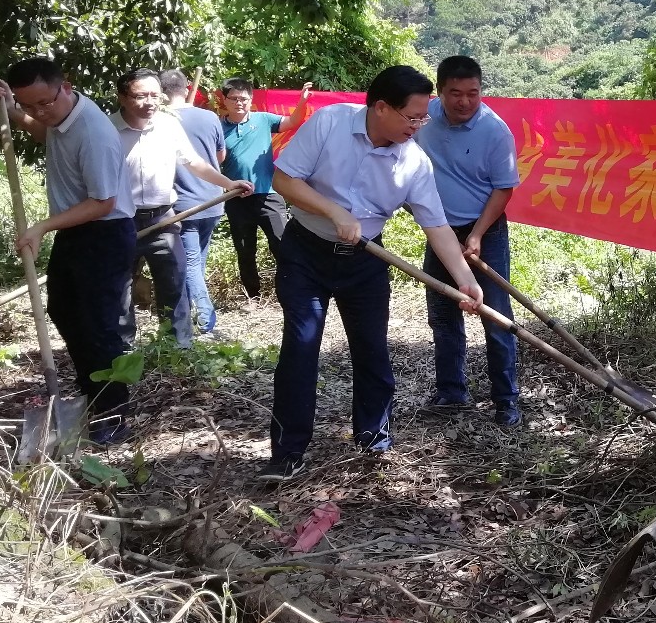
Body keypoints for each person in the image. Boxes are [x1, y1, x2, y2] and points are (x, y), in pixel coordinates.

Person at [265, 64, 482, 481]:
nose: (418, 126)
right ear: (381, 107)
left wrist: (464, 279)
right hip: (305, 251)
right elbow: (284, 179)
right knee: (301, 346)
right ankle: (288, 451)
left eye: (423, 118)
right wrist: (332, 210)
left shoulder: (414, 161)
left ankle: (373, 437)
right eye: (412, 117)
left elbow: (435, 224)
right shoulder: (329, 124)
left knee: (371, 348)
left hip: (366, 260)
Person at [0, 57, 137, 445]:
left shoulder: (93, 131)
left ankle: (112, 413)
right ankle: (91, 389)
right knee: (63, 310)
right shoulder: (61, 118)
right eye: (30, 105)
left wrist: (41, 226)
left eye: (45, 102)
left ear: (66, 86)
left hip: (104, 233)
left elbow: (103, 202)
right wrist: (11, 108)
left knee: (97, 325)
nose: (40, 111)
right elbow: (43, 132)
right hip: (77, 231)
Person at [414, 56, 523, 427]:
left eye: (473, 94)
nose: (464, 102)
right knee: (443, 315)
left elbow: (503, 188)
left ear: (481, 91)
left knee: (496, 317)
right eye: (455, 94)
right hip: (439, 231)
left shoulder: (495, 131)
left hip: (484, 232)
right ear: (440, 92)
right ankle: (451, 391)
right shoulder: (422, 118)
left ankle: (506, 399)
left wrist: (476, 233)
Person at [113, 70, 253, 349]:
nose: (150, 102)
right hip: (120, 221)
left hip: (164, 217)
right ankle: (122, 350)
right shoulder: (107, 129)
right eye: (141, 96)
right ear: (123, 98)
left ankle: (178, 348)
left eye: (156, 95)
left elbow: (194, 162)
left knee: (175, 282)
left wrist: (227, 183)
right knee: (120, 288)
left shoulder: (168, 124)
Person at [219, 77, 311, 300]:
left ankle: (291, 293)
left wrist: (302, 101)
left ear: (251, 99)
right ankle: (253, 296)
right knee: (245, 250)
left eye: (243, 98)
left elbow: (293, 122)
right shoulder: (217, 126)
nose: (239, 102)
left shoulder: (263, 119)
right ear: (225, 100)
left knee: (282, 245)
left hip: (268, 195)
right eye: (234, 98)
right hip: (235, 198)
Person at [160, 69, 227, 336]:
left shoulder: (163, 120)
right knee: (196, 262)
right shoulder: (209, 116)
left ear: (161, 93)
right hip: (213, 198)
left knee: (189, 264)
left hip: (185, 203)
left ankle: (206, 319)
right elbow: (220, 156)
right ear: (186, 88)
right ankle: (192, 315)